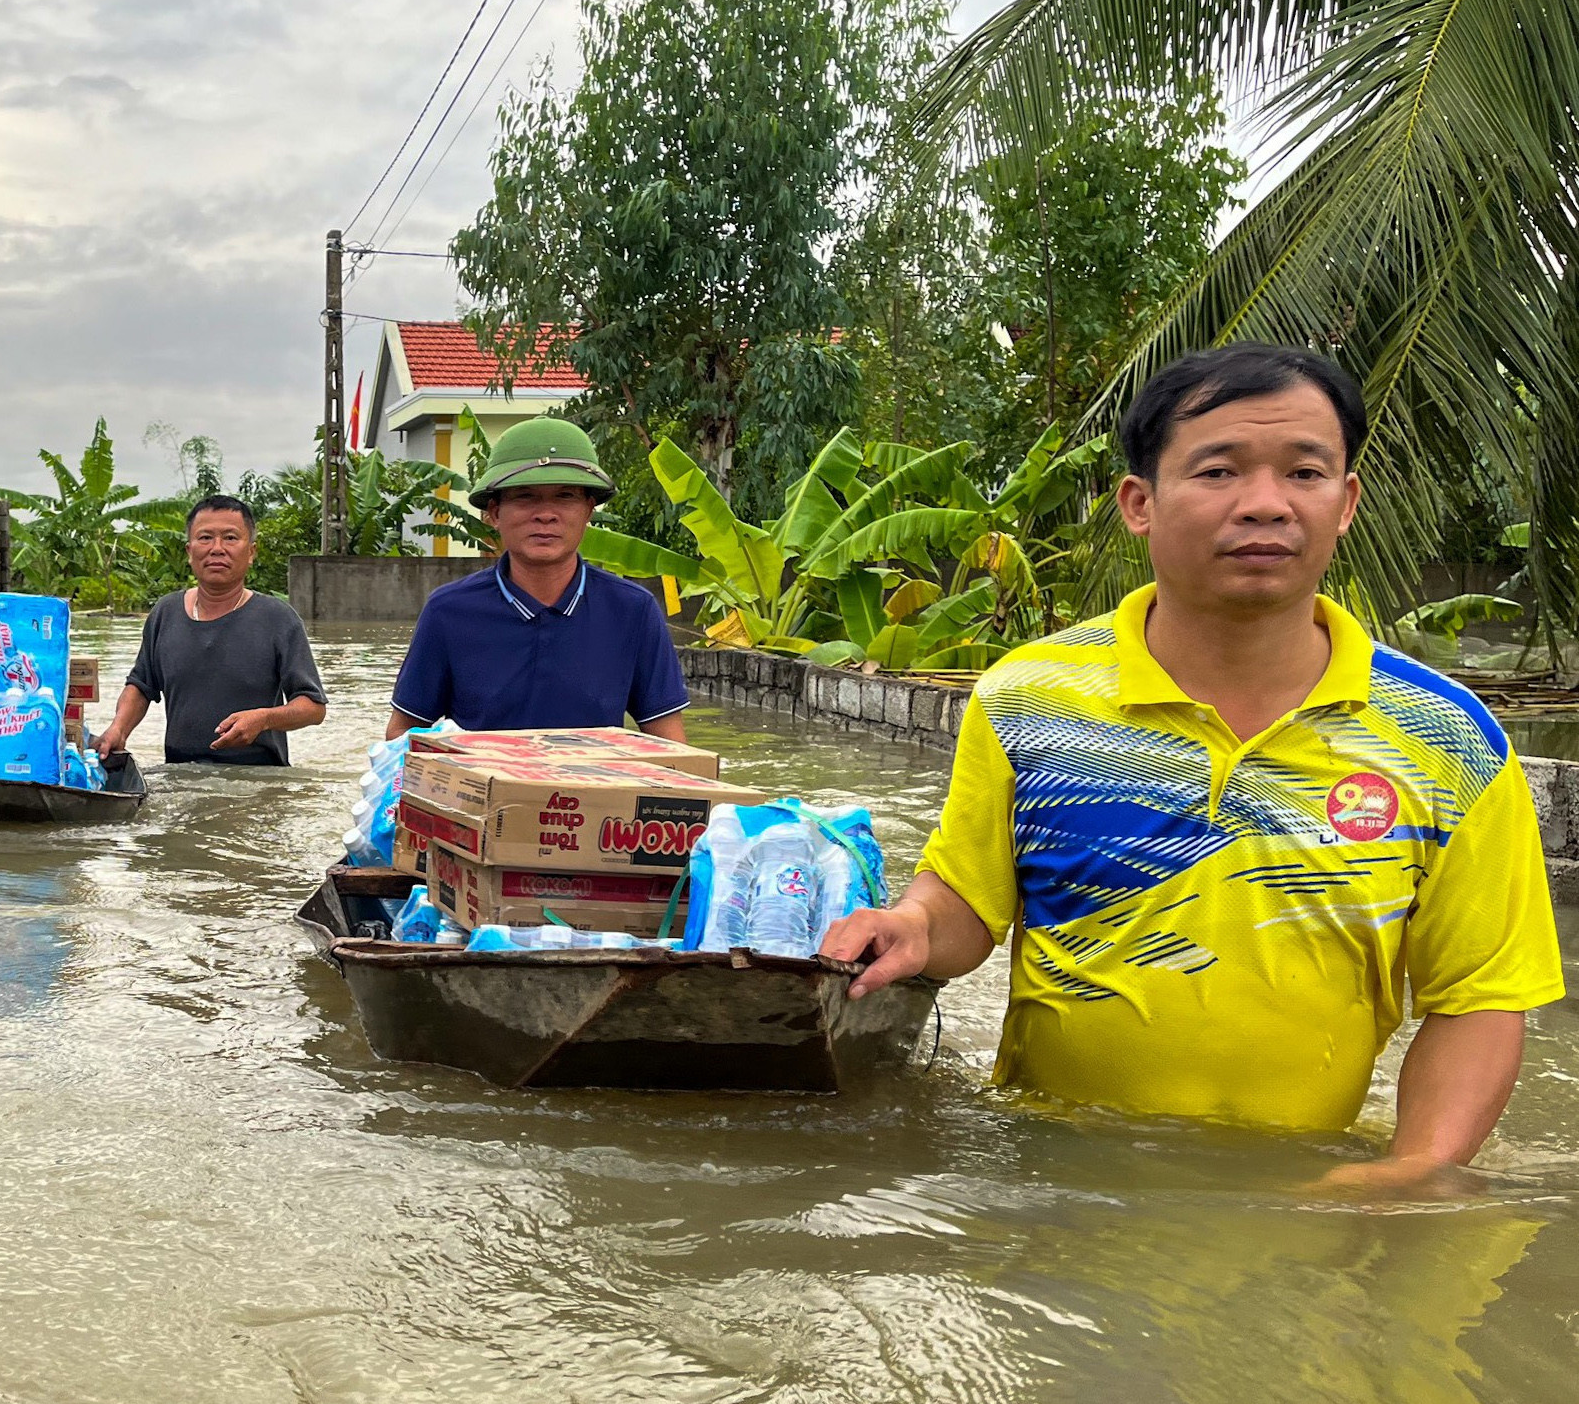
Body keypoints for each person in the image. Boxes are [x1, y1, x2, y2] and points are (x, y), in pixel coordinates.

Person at [820, 343, 1564, 1188]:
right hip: (1047, 1182)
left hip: (1302, 1195)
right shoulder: (1029, 697)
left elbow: (1479, 994)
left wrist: (1414, 1167)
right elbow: (966, 904)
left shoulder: (1449, 740)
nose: (1264, 505)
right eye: (1216, 472)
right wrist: (912, 927)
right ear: (1138, 502)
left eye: (1304, 473)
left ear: (1346, 500)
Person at [385, 415, 689, 741]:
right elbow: (402, 734)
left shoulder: (633, 610)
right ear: (494, 512)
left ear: (589, 510)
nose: (545, 513)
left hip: (593, 787)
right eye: (525, 496)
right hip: (483, 788)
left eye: (565, 496)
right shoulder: (448, 611)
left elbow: (669, 743)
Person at [96, 495, 327, 766]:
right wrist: (118, 729)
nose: (217, 548)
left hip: (259, 783)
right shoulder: (165, 613)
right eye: (205, 538)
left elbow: (313, 708)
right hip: (182, 778)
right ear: (189, 550)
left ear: (251, 551)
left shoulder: (278, 619)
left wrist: (263, 719)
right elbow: (140, 686)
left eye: (230, 538)